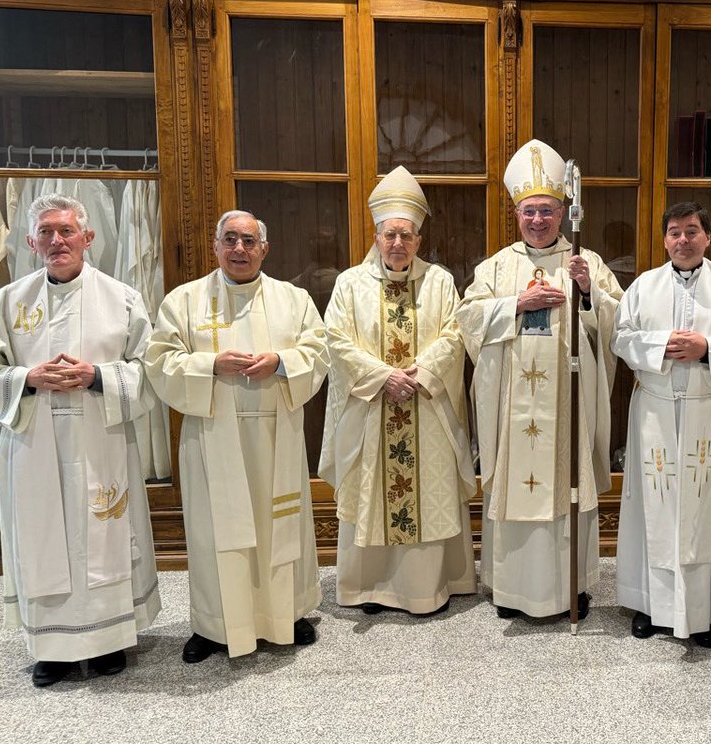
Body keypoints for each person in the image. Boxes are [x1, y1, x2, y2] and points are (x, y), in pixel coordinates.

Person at [0, 194, 160, 687]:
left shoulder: (123, 298)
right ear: (31, 242)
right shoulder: (7, 301)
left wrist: (98, 375)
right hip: (34, 444)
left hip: (101, 437)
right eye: (46, 232)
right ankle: (54, 648)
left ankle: (111, 640)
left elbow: (152, 373)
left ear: (87, 238)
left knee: (105, 532)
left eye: (66, 231)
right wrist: (28, 378)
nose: (56, 241)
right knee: (44, 536)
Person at [145, 210, 328, 662]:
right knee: (214, 529)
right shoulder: (183, 301)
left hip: (275, 435)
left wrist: (281, 362)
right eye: (230, 240)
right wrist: (209, 365)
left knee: (278, 523)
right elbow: (159, 361)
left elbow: (318, 352)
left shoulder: (294, 299)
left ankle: (289, 612)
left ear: (264, 249)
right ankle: (214, 624)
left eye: (249, 241)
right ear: (216, 246)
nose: (239, 249)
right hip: (213, 437)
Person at [457, 139, 622, 620]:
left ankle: (573, 585)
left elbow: (617, 324)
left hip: (568, 402)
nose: (538, 220)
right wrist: (515, 306)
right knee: (516, 482)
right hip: (512, 402)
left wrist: (589, 292)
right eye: (530, 211)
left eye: (547, 211)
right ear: (517, 214)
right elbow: (466, 319)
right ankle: (511, 590)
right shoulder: (495, 267)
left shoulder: (584, 262)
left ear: (562, 211)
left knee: (567, 484)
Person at [319, 167, 475, 615]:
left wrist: (419, 373)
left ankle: (426, 588)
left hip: (425, 407)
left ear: (418, 240)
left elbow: (454, 334)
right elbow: (336, 338)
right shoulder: (350, 283)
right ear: (376, 236)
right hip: (371, 408)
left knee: (428, 492)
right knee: (371, 493)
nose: (397, 244)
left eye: (406, 235)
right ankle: (372, 586)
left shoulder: (440, 281)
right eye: (390, 235)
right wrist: (381, 376)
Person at [611, 201, 711, 647]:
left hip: (707, 409)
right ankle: (651, 605)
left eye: (692, 231)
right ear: (664, 239)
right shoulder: (643, 286)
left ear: (708, 237)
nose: (683, 239)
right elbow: (621, 337)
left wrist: (708, 348)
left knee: (708, 512)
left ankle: (708, 609)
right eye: (675, 232)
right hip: (656, 410)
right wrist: (663, 344)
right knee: (651, 509)